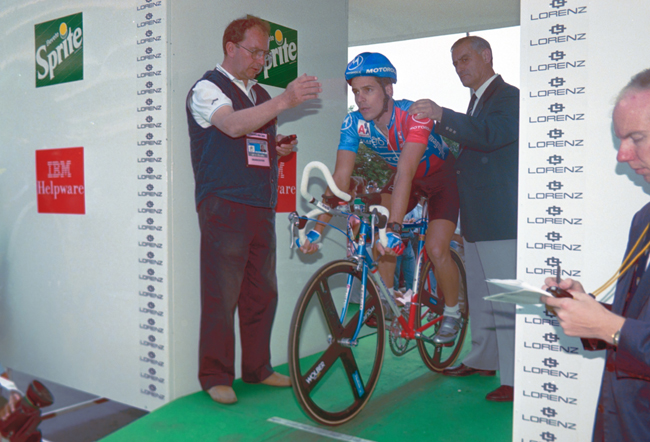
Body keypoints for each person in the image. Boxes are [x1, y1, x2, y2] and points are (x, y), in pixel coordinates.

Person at [185, 14, 321, 405]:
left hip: (260, 204)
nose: (261, 59)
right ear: (231, 48)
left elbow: (250, 139)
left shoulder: (260, 94)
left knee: (263, 292)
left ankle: (257, 368)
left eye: (265, 53)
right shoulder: (207, 88)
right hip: (224, 203)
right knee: (221, 293)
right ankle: (215, 375)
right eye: (255, 51)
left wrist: (275, 150)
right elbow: (229, 126)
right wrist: (286, 99)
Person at [300, 52, 462, 344]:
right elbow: (340, 180)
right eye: (356, 91)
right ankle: (386, 300)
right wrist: (316, 230)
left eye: (369, 90)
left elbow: (405, 171)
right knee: (375, 222)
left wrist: (397, 229)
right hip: (405, 181)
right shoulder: (354, 123)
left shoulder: (413, 115)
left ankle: (452, 312)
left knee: (437, 249)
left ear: (388, 90)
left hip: (440, 181)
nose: (361, 98)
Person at [542, 69, 650, 441]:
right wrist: (589, 313)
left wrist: (607, 327)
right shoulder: (644, 219)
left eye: (637, 138)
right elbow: (635, 327)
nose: (622, 155)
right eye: (621, 139)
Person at [409, 36, 519, 402]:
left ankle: (516, 376)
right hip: (476, 217)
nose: (460, 67)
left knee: (504, 297)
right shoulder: (477, 103)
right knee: (482, 295)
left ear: (487, 56)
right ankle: (483, 358)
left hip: (501, 217)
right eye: (455, 63)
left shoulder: (509, 97)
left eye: (465, 59)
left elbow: (491, 136)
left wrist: (442, 116)